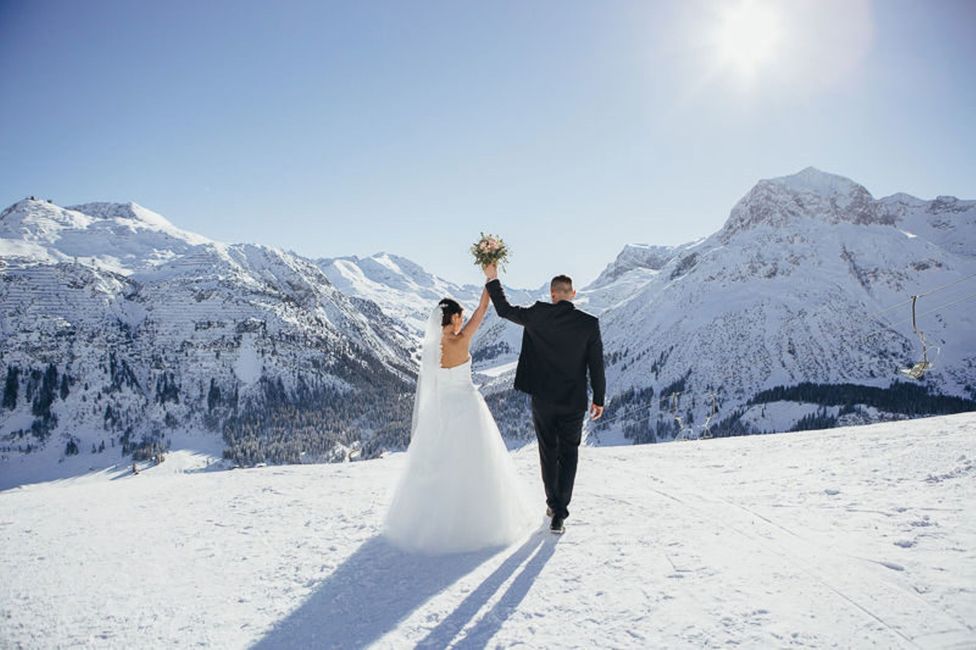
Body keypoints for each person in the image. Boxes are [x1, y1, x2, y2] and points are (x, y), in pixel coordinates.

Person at [382, 288, 538, 554]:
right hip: (466, 406)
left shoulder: (431, 348)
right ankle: (474, 518)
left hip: (440, 408)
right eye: (460, 317)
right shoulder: (461, 339)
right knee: (475, 460)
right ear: (453, 318)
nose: (463, 321)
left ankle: (428, 519)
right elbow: (481, 313)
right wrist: (489, 286)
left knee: (438, 460)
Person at [484, 264, 605, 534]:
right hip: (573, 400)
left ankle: (552, 505)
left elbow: (503, 310)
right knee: (569, 453)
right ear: (572, 293)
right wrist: (598, 398)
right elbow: (596, 365)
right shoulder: (588, 323)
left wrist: (492, 278)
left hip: (543, 399)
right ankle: (560, 513)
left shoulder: (537, 315)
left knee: (548, 452)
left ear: (552, 294)